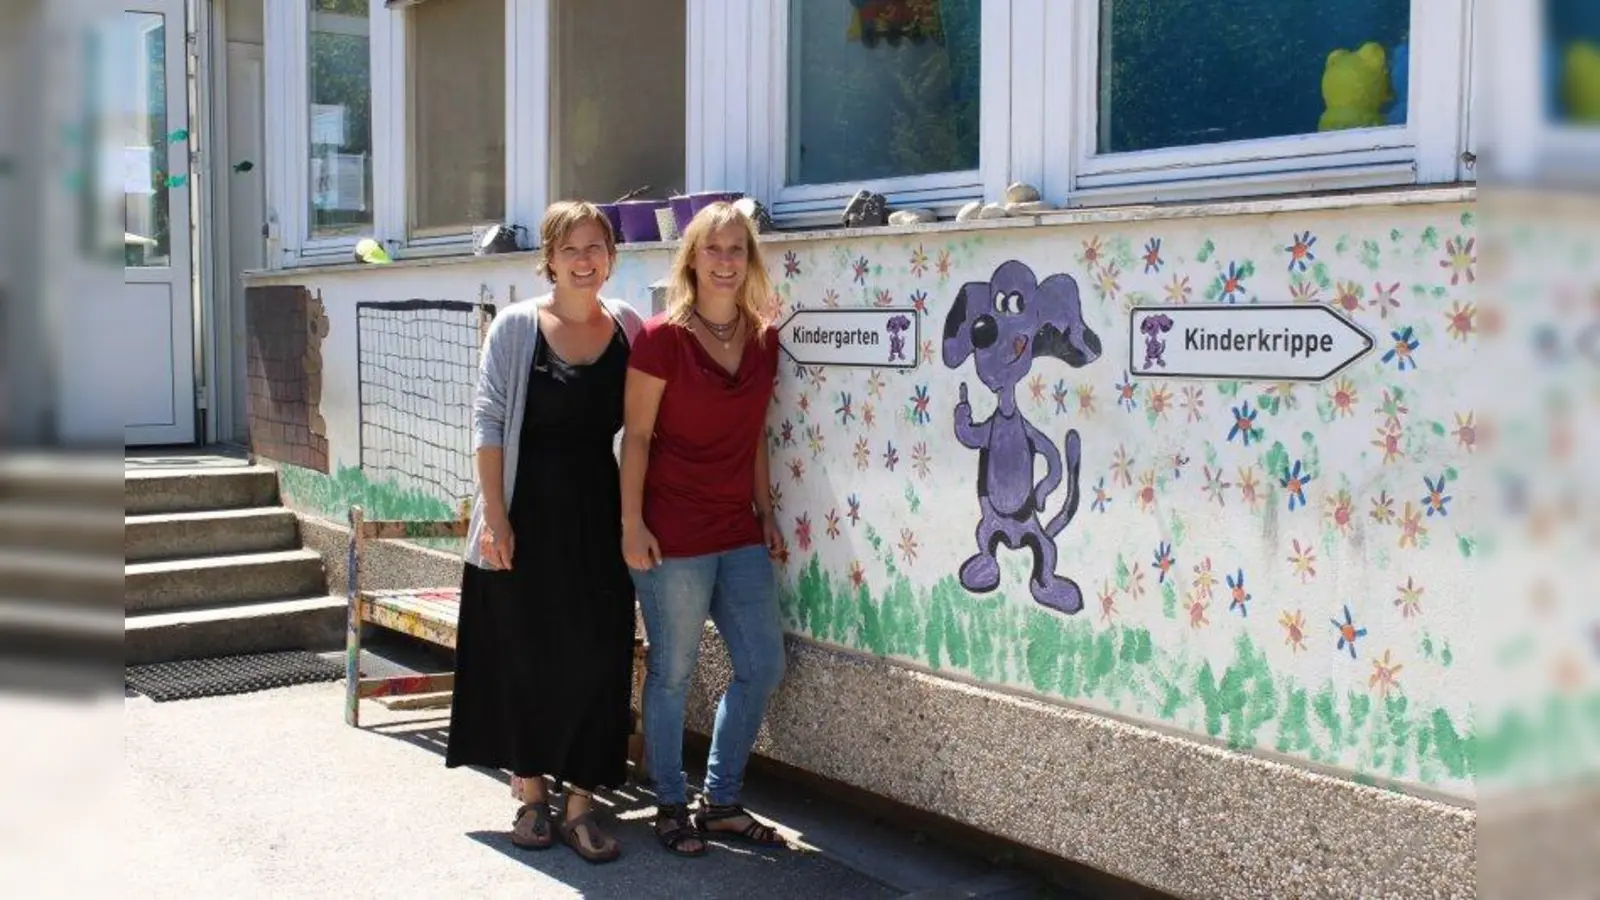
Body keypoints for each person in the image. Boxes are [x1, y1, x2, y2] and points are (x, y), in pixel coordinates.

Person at [445, 200, 645, 865]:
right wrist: (495, 516)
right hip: (525, 513)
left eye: (596, 248)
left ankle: (582, 804)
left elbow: (644, 429)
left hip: (597, 515)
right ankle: (531, 794)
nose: (584, 260)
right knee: (525, 653)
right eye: (571, 249)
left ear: (611, 257)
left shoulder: (630, 329)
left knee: (598, 653)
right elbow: (490, 426)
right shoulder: (516, 327)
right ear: (551, 259)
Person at [620, 202, 789, 857]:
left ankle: (721, 803)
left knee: (763, 666)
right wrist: (630, 524)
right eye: (713, 250)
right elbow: (635, 438)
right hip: (671, 532)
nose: (725, 262)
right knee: (673, 672)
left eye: (736, 250)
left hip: (737, 529)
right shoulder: (661, 339)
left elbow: (752, 435)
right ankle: (669, 802)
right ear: (691, 257)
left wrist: (766, 511)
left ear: (749, 260)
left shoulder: (764, 337)